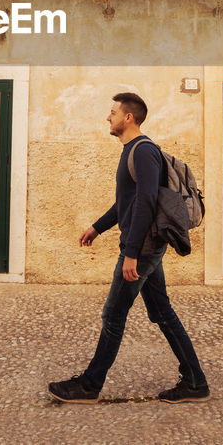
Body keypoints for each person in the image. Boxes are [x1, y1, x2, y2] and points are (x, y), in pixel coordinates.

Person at [48, 92, 209, 404]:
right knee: (162, 313)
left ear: (128, 117)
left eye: (112, 112)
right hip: (146, 247)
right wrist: (97, 227)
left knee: (114, 315)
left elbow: (147, 204)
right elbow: (127, 202)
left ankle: (90, 385)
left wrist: (132, 253)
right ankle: (195, 382)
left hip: (143, 249)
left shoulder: (144, 152)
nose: (108, 117)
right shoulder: (132, 151)